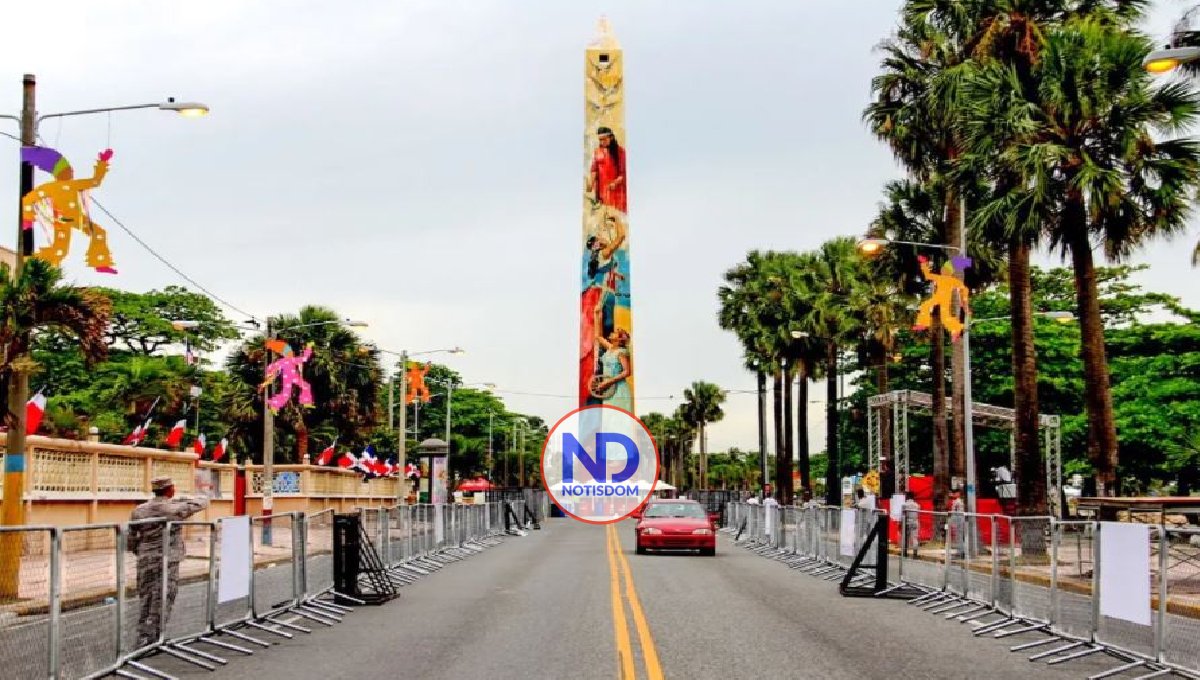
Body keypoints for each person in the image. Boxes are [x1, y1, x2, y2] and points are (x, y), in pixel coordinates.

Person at [128, 476, 209, 648]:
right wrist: (181, 498)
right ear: (169, 489)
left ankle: (143, 634)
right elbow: (203, 502)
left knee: (146, 596)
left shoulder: (139, 510)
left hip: (145, 558)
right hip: (167, 559)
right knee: (164, 596)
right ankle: (154, 637)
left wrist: (139, 551)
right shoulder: (173, 508)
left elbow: (131, 538)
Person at [586, 126, 626, 213]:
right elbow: (594, 169)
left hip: (616, 192)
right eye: (600, 140)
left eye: (604, 139)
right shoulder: (597, 151)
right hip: (601, 192)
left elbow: (623, 174)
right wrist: (590, 184)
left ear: (611, 137)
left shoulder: (620, 152)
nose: (602, 142)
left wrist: (615, 183)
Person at [593, 328, 633, 411]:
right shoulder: (611, 348)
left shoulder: (622, 352)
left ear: (618, 339)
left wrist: (608, 382)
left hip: (619, 389)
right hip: (608, 388)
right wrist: (598, 315)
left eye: (615, 333)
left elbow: (627, 372)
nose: (612, 332)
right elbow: (598, 337)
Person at [902, 491, 921, 558]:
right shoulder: (917, 505)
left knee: (905, 538)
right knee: (914, 538)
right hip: (915, 522)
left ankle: (904, 552)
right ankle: (915, 553)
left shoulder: (904, 505)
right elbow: (919, 514)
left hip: (907, 522)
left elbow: (903, 515)